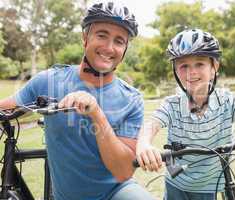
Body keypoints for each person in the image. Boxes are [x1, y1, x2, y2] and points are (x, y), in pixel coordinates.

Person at [0, 1, 155, 200]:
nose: (109, 47)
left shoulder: (131, 99)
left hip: (115, 193)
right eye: (102, 35)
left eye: (119, 41)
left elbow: (124, 171)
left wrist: (96, 113)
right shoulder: (50, 80)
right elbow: (7, 106)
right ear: (85, 37)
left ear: (124, 49)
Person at [136, 28, 235, 200]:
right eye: (183, 66)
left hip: (212, 185)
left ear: (214, 67)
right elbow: (151, 124)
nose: (191, 72)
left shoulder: (227, 101)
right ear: (176, 71)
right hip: (177, 184)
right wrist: (144, 145)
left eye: (199, 64)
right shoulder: (172, 105)